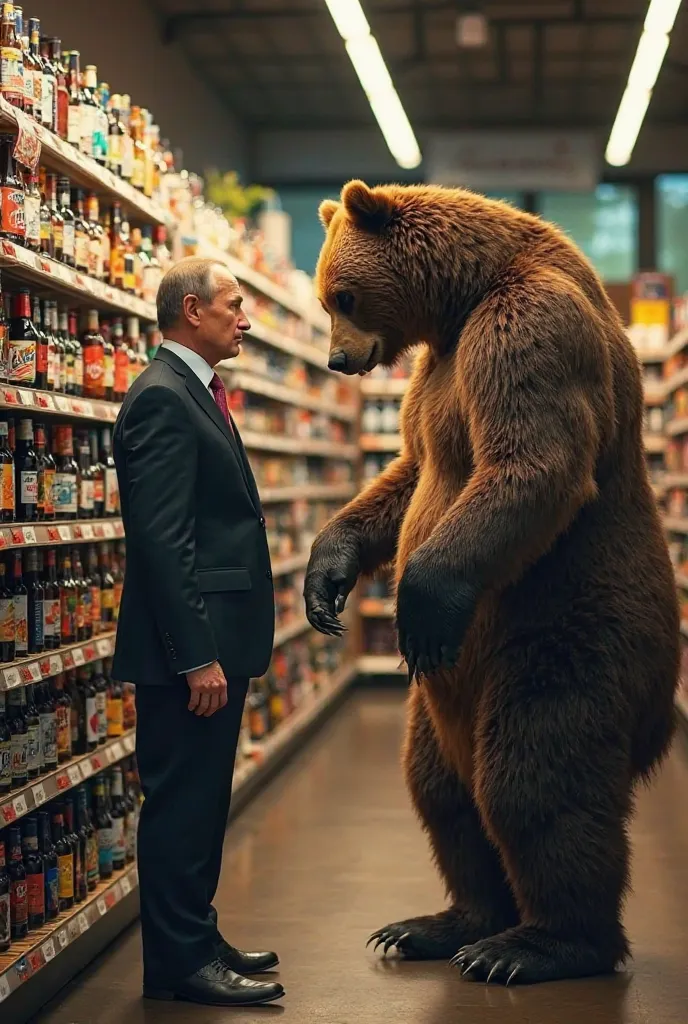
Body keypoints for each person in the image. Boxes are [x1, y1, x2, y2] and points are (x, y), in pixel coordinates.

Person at [112, 257, 283, 1007]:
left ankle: (197, 934)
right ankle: (180, 965)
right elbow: (162, 541)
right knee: (182, 804)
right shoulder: (161, 398)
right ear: (191, 311)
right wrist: (196, 657)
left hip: (213, 640)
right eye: (234, 306)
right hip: (191, 651)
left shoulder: (195, 392)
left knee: (206, 801)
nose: (244, 320)